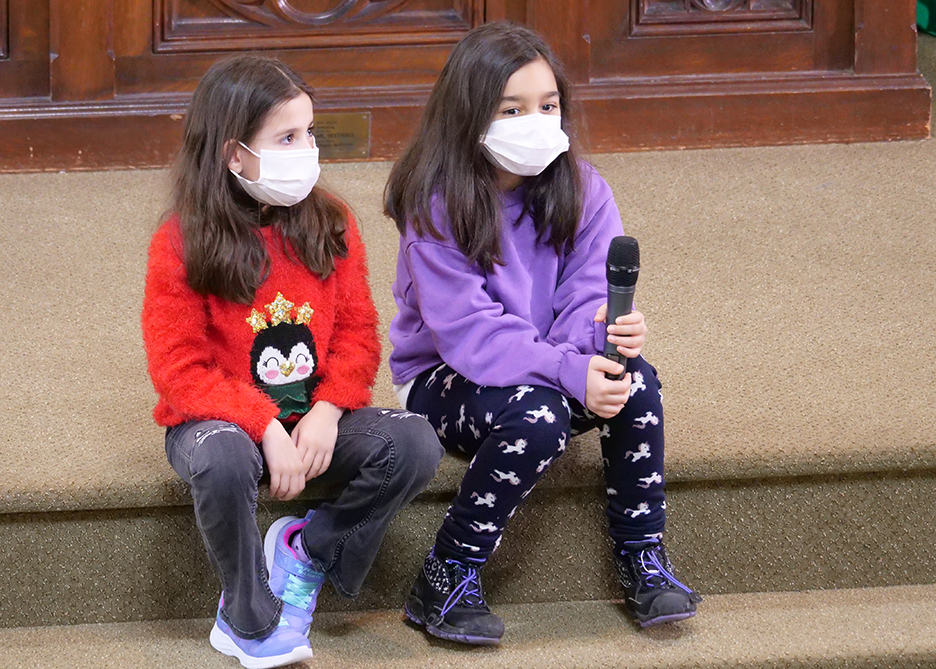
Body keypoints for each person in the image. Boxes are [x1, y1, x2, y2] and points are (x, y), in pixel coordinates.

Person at [384, 22, 701, 645]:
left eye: (548, 105)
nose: (536, 120)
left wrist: (601, 340)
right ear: (470, 115)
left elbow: (586, 292)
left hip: (551, 366)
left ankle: (643, 555)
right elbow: (469, 333)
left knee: (636, 382)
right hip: (444, 379)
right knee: (539, 416)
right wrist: (566, 372)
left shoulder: (583, 189)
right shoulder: (436, 205)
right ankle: (445, 574)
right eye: (512, 109)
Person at [141, 54, 443, 669]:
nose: (306, 149)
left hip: (312, 424)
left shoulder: (331, 223)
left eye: (309, 132)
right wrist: (266, 427)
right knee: (224, 457)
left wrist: (330, 409)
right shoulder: (181, 241)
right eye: (286, 137)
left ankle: (308, 550)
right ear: (234, 155)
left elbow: (358, 334)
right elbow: (180, 368)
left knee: (414, 443)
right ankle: (245, 615)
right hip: (219, 425)